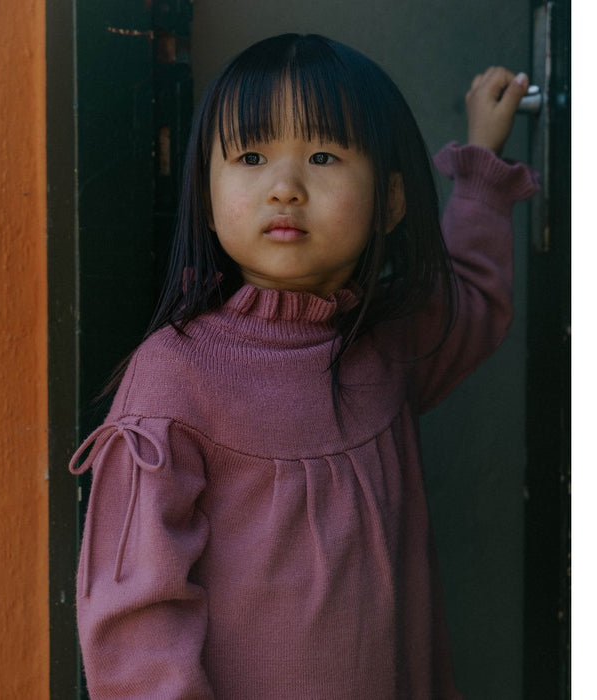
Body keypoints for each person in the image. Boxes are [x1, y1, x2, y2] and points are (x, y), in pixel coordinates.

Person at [69, 33, 538, 699]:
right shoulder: (175, 378)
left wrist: (481, 167)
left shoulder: (388, 345)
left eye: (322, 156)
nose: (285, 188)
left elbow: (472, 305)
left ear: (391, 203)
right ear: (205, 198)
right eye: (251, 156)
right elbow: (134, 624)